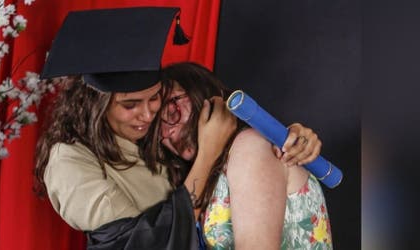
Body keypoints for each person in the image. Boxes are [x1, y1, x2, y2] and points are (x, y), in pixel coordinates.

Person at [34, 7, 324, 249]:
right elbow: (141, 244)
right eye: (130, 104)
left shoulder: (248, 149)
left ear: (207, 101)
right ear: (97, 107)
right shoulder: (70, 158)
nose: (149, 117)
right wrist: (209, 151)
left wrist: (286, 138)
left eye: (160, 101)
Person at [153, 62, 332, 250]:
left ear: (202, 93)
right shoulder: (204, 172)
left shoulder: (250, 147)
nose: (167, 133)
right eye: (156, 130)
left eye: (171, 111)